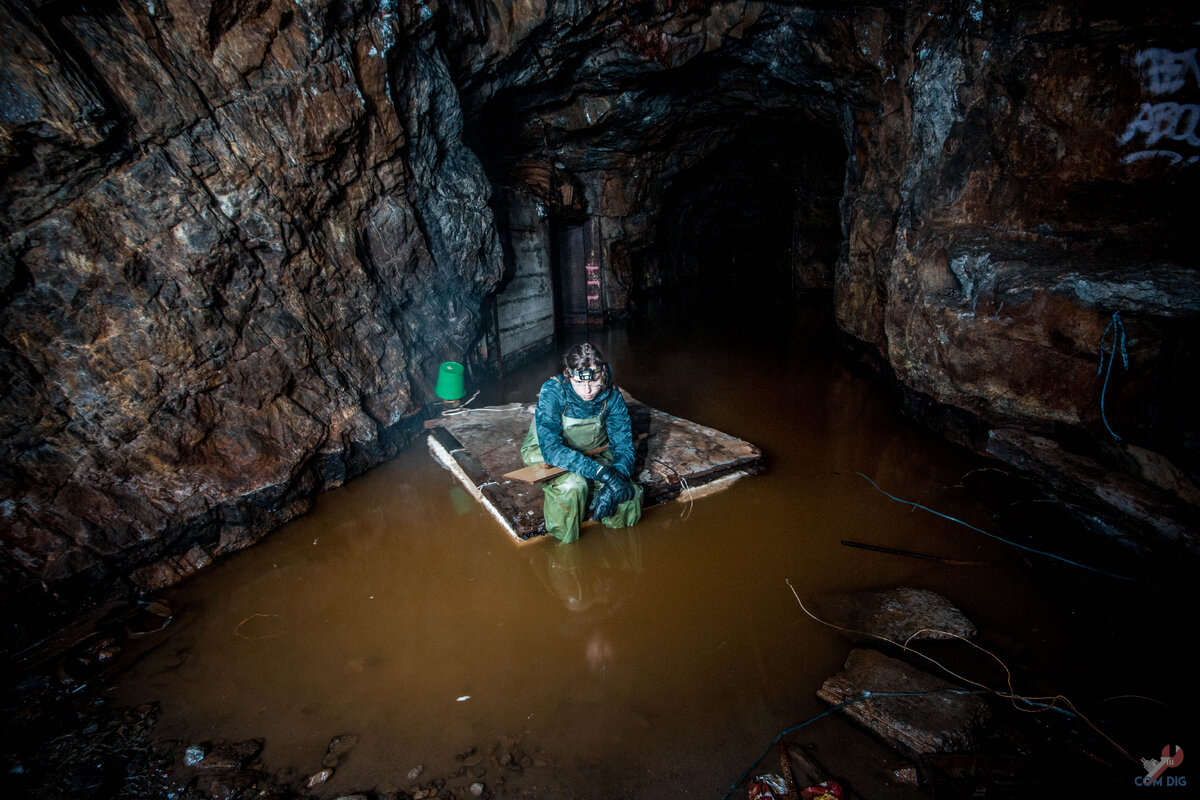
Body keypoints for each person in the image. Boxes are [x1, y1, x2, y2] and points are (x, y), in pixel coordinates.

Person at [520, 343, 643, 543]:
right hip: (549, 452)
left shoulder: (611, 395)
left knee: (630, 493)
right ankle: (566, 549)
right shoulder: (553, 391)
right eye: (578, 382)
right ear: (569, 377)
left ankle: (620, 555)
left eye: (594, 381)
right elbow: (552, 449)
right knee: (574, 486)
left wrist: (615, 480)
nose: (587, 390)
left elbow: (623, 445)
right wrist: (602, 474)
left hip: (594, 450)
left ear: (602, 374)